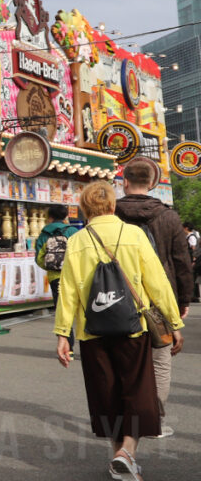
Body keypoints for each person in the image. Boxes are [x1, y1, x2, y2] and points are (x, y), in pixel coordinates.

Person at [55, 181, 184, 481]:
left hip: (92, 333)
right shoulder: (134, 234)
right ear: (113, 206)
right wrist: (174, 322)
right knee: (137, 391)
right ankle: (127, 452)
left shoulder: (76, 240)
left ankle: (120, 457)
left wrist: (63, 334)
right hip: (133, 329)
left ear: (85, 209)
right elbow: (158, 282)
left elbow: (68, 292)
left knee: (106, 395)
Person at [114, 158, 192, 437]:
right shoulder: (169, 216)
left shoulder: (112, 214)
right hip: (160, 298)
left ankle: (126, 423)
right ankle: (154, 420)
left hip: (119, 299)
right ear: (151, 184)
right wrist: (183, 300)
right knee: (160, 359)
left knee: (126, 361)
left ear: (123, 182)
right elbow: (181, 261)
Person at [35, 204, 79, 351]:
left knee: (62, 312)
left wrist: (51, 267)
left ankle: (69, 348)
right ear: (66, 216)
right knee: (83, 311)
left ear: (50, 217)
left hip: (55, 278)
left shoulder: (44, 233)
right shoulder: (73, 231)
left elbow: (39, 258)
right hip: (76, 276)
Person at [185, 221, 201, 302]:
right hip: (191, 259)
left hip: (193, 259)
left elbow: (194, 249)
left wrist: (194, 260)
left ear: (186, 228)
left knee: (193, 278)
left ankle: (194, 295)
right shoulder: (189, 236)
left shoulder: (191, 237)